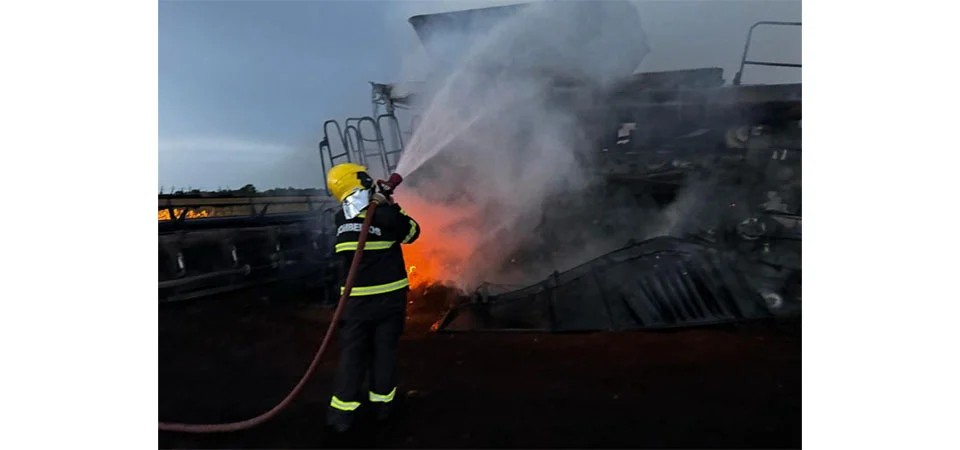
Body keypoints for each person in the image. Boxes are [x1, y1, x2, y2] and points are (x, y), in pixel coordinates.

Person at [324, 163, 421, 433]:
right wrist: (390, 205)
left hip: (354, 304)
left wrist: (380, 203)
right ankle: (382, 408)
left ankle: (341, 416)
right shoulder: (385, 216)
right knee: (384, 353)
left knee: (352, 355)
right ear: (359, 181)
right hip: (388, 302)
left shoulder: (339, 220)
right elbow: (413, 232)